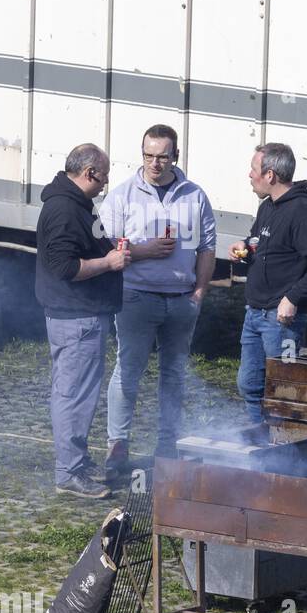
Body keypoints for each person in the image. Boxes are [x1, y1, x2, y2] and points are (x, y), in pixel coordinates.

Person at [99, 124, 216, 474]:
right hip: (136, 296)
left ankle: (168, 446)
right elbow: (107, 247)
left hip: (181, 299)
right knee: (128, 371)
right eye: (148, 155)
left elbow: (208, 247)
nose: (154, 163)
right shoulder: (123, 195)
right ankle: (117, 445)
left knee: (174, 375)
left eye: (162, 156)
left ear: (175, 156)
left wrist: (199, 291)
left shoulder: (194, 196)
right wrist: (145, 251)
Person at [35, 144, 127, 499]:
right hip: (75, 317)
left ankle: (77, 461)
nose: (105, 184)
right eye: (103, 177)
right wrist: (109, 263)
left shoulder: (76, 204)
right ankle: (68, 471)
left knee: (78, 393)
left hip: (82, 316)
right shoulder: (63, 209)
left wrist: (108, 250)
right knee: (73, 394)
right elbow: (64, 268)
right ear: (89, 173)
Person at [229, 143, 307, 423]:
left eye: (254, 170)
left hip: (282, 320)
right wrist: (245, 247)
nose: (249, 175)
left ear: (270, 175)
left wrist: (292, 298)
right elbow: (258, 241)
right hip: (254, 313)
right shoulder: (267, 207)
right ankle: (258, 441)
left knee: (282, 388)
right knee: (249, 385)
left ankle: (283, 448)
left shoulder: (301, 213)